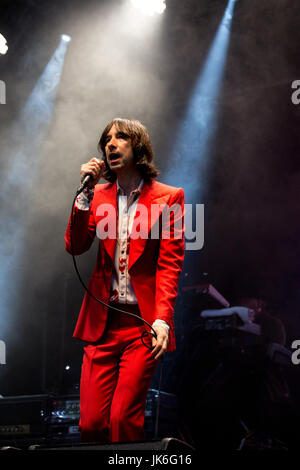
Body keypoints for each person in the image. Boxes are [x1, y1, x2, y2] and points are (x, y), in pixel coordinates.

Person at [65, 118, 185, 443]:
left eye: (120, 138)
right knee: (90, 425)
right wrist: (85, 193)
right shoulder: (99, 195)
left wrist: (162, 320)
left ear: (139, 147)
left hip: (141, 324)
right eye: (106, 140)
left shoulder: (170, 197)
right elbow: (75, 245)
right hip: (102, 323)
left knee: (122, 420)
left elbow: (169, 265)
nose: (110, 144)